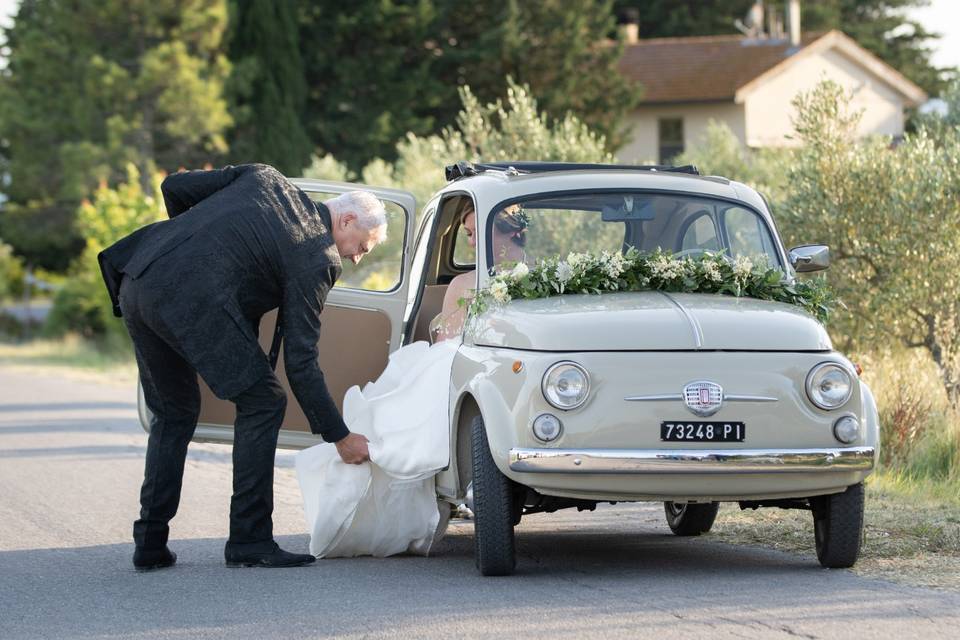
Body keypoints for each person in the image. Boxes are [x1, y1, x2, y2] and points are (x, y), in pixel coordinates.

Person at [97, 163, 387, 571]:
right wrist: (338, 436)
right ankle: (249, 541)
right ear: (348, 218)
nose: (355, 258)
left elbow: (174, 186)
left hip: (140, 279)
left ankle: (149, 541)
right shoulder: (318, 256)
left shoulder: (264, 177)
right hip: (190, 303)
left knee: (174, 412)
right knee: (264, 402)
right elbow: (301, 360)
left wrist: (193, 249)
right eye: (362, 247)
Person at [432, 203, 527, 341]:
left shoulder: (547, 276)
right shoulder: (462, 285)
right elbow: (445, 347)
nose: (472, 242)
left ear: (511, 229)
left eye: (481, 231)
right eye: (469, 233)